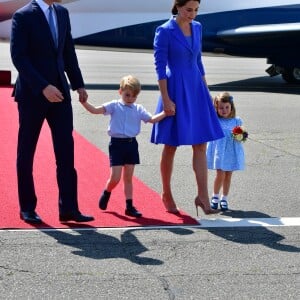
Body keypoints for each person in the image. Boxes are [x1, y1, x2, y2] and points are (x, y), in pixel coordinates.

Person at [10, 0, 94, 224]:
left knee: (66, 151)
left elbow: (68, 51)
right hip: (32, 93)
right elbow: (19, 57)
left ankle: (69, 208)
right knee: (26, 152)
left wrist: (78, 84)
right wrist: (42, 86)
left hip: (60, 94)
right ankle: (27, 207)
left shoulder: (62, 13)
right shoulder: (23, 15)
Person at [150, 0, 224, 216]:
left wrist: (206, 91)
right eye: (188, 9)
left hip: (196, 89)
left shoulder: (198, 27)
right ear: (178, 7)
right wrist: (165, 99)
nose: (193, 14)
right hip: (174, 89)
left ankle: (202, 197)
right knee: (171, 145)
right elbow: (159, 67)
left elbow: (199, 61)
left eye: (196, 10)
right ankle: (166, 193)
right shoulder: (164, 30)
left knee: (200, 145)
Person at [81, 75, 167, 217]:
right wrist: (85, 103)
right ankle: (107, 191)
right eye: (127, 95)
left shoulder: (138, 109)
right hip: (116, 144)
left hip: (131, 144)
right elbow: (95, 110)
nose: (130, 99)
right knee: (115, 177)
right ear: (120, 91)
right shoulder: (114, 105)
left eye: (134, 96)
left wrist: (165, 112)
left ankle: (129, 206)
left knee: (128, 177)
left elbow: (151, 119)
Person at [206, 92, 247, 211]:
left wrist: (241, 135)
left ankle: (224, 198)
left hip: (232, 151)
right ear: (216, 108)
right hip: (219, 151)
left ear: (231, 107)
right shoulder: (215, 120)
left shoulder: (237, 120)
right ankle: (215, 196)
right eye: (221, 108)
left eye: (227, 107)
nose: (224, 110)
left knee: (228, 175)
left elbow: (242, 136)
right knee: (220, 173)